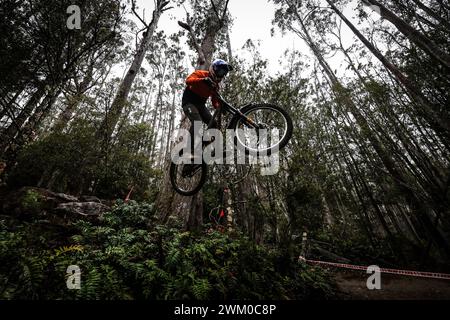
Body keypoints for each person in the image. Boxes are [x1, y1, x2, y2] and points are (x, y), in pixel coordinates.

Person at [181, 59, 233, 161]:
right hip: (189, 103)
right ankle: (189, 150)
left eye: (224, 73)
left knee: (213, 124)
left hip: (200, 105)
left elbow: (214, 102)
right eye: (220, 71)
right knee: (197, 123)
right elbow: (188, 80)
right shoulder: (201, 74)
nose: (221, 75)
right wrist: (203, 80)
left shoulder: (215, 86)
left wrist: (221, 107)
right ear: (214, 69)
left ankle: (205, 145)